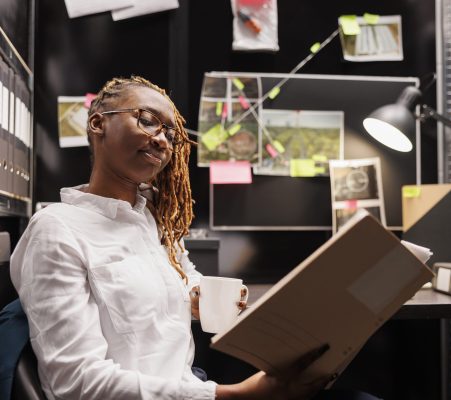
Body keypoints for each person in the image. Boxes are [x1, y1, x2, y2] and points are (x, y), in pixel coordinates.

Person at [10, 76, 339, 400]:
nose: (163, 140)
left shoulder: (154, 221)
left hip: (191, 383)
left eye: (170, 133)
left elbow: (185, 281)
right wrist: (235, 396)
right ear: (98, 124)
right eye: (148, 121)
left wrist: (203, 298)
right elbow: (77, 384)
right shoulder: (56, 231)